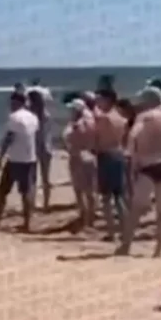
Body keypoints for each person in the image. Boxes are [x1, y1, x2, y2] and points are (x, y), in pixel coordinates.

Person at [118, 87, 161, 257]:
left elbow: (134, 136)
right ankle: (158, 250)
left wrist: (131, 156)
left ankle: (126, 246)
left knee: (136, 208)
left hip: (148, 165)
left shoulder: (145, 117)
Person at [0, 91, 40, 232]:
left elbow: (9, 138)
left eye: (12, 102)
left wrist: (0, 156)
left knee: (3, 190)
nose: (10, 105)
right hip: (30, 158)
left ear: (16, 102)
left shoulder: (14, 117)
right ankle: (27, 223)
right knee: (26, 191)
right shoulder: (33, 117)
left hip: (15, 159)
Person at [94, 89, 128, 240]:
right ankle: (125, 230)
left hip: (106, 156)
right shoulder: (120, 118)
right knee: (119, 196)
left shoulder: (104, 119)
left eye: (100, 99)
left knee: (106, 198)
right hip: (119, 154)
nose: (98, 102)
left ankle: (111, 232)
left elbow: (98, 139)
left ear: (108, 100)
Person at [63, 97, 98, 231]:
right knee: (90, 190)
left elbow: (70, 140)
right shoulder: (91, 121)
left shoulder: (76, 125)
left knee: (79, 189)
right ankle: (91, 217)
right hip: (90, 155)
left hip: (78, 156)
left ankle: (84, 216)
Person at [26, 87, 54, 211]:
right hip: (46, 147)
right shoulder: (46, 114)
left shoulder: (31, 115)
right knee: (45, 177)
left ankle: (32, 203)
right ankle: (46, 203)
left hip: (34, 147)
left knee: (32, 177)